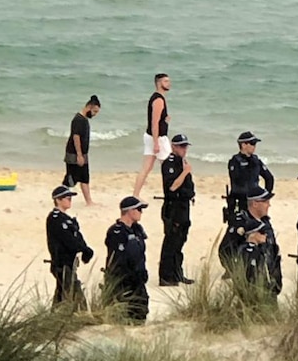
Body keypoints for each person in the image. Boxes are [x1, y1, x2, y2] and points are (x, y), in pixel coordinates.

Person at [219, 186, 282, 296]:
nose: (269, 205)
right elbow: (224, 251)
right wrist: (237, 273)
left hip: (269, 283)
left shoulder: (265, 223)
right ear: (255, 204)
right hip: (249, 285)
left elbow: (272, 250)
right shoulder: (240, 223)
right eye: (265, 201)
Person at [45, 185, 94, 309]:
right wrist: (82, 249)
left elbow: (76, 237)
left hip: (69, 263)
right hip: (61, 263)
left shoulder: (67, 219)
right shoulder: (55, 218)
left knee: (62, 294)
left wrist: (84, 248)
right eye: (67, 198)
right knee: (75, 295)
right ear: (58, 200)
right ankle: (81, 317)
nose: (69, 201)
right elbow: (68, 240)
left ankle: (54, 317)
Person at [104, 196, 150, 324]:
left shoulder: (137, 229)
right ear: (130, 211)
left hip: (138, 278)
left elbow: (140, 253)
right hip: (123, 280)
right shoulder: (116, 231)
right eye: (139, 209)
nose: (141, 212)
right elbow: (118, 259)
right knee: (123, 313)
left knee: (141, 310)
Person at [158, 134, 196, 286]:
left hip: (184, 206)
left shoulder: (182, 162)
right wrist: (186, 172)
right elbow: (172, 186)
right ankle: (166, 276)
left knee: (180, 241)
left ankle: (177, 273)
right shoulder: (170, 163)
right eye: (181, 146)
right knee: (171, 242)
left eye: (185, 146)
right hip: (173, 207)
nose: (184, 149)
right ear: (173, 147)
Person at [133, 73, 171, 198]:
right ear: (159, 83)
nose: (169, 83)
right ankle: (171, 193)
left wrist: (165, 120)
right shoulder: (158, 99)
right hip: (158, 138)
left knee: (146, 168)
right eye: (166, 81)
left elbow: (157, 119)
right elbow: (154, 122)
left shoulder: (158, 98)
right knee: (171, 166)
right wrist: (156, 143)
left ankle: (135, 194)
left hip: (151, 136)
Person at [63, 95, 101, 206]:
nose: (94, 114)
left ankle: (89, 201)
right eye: (94, 111)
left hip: (83, 154)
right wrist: (79, 155)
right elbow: (76, 137)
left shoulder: (84, 120)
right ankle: (61, 197)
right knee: (71, 178)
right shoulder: (78, 120)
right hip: (74, 154)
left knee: (84, 177)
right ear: (89, 107)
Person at [227, 131, 274, 215]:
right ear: (243, 145)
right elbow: (237, 179)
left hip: (255, 200)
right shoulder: (235, 161)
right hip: (240, 199)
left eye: (255, 144)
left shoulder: (256, 160)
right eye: (252, 143)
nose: (254, 146)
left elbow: (269, 177)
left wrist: (265, 196)